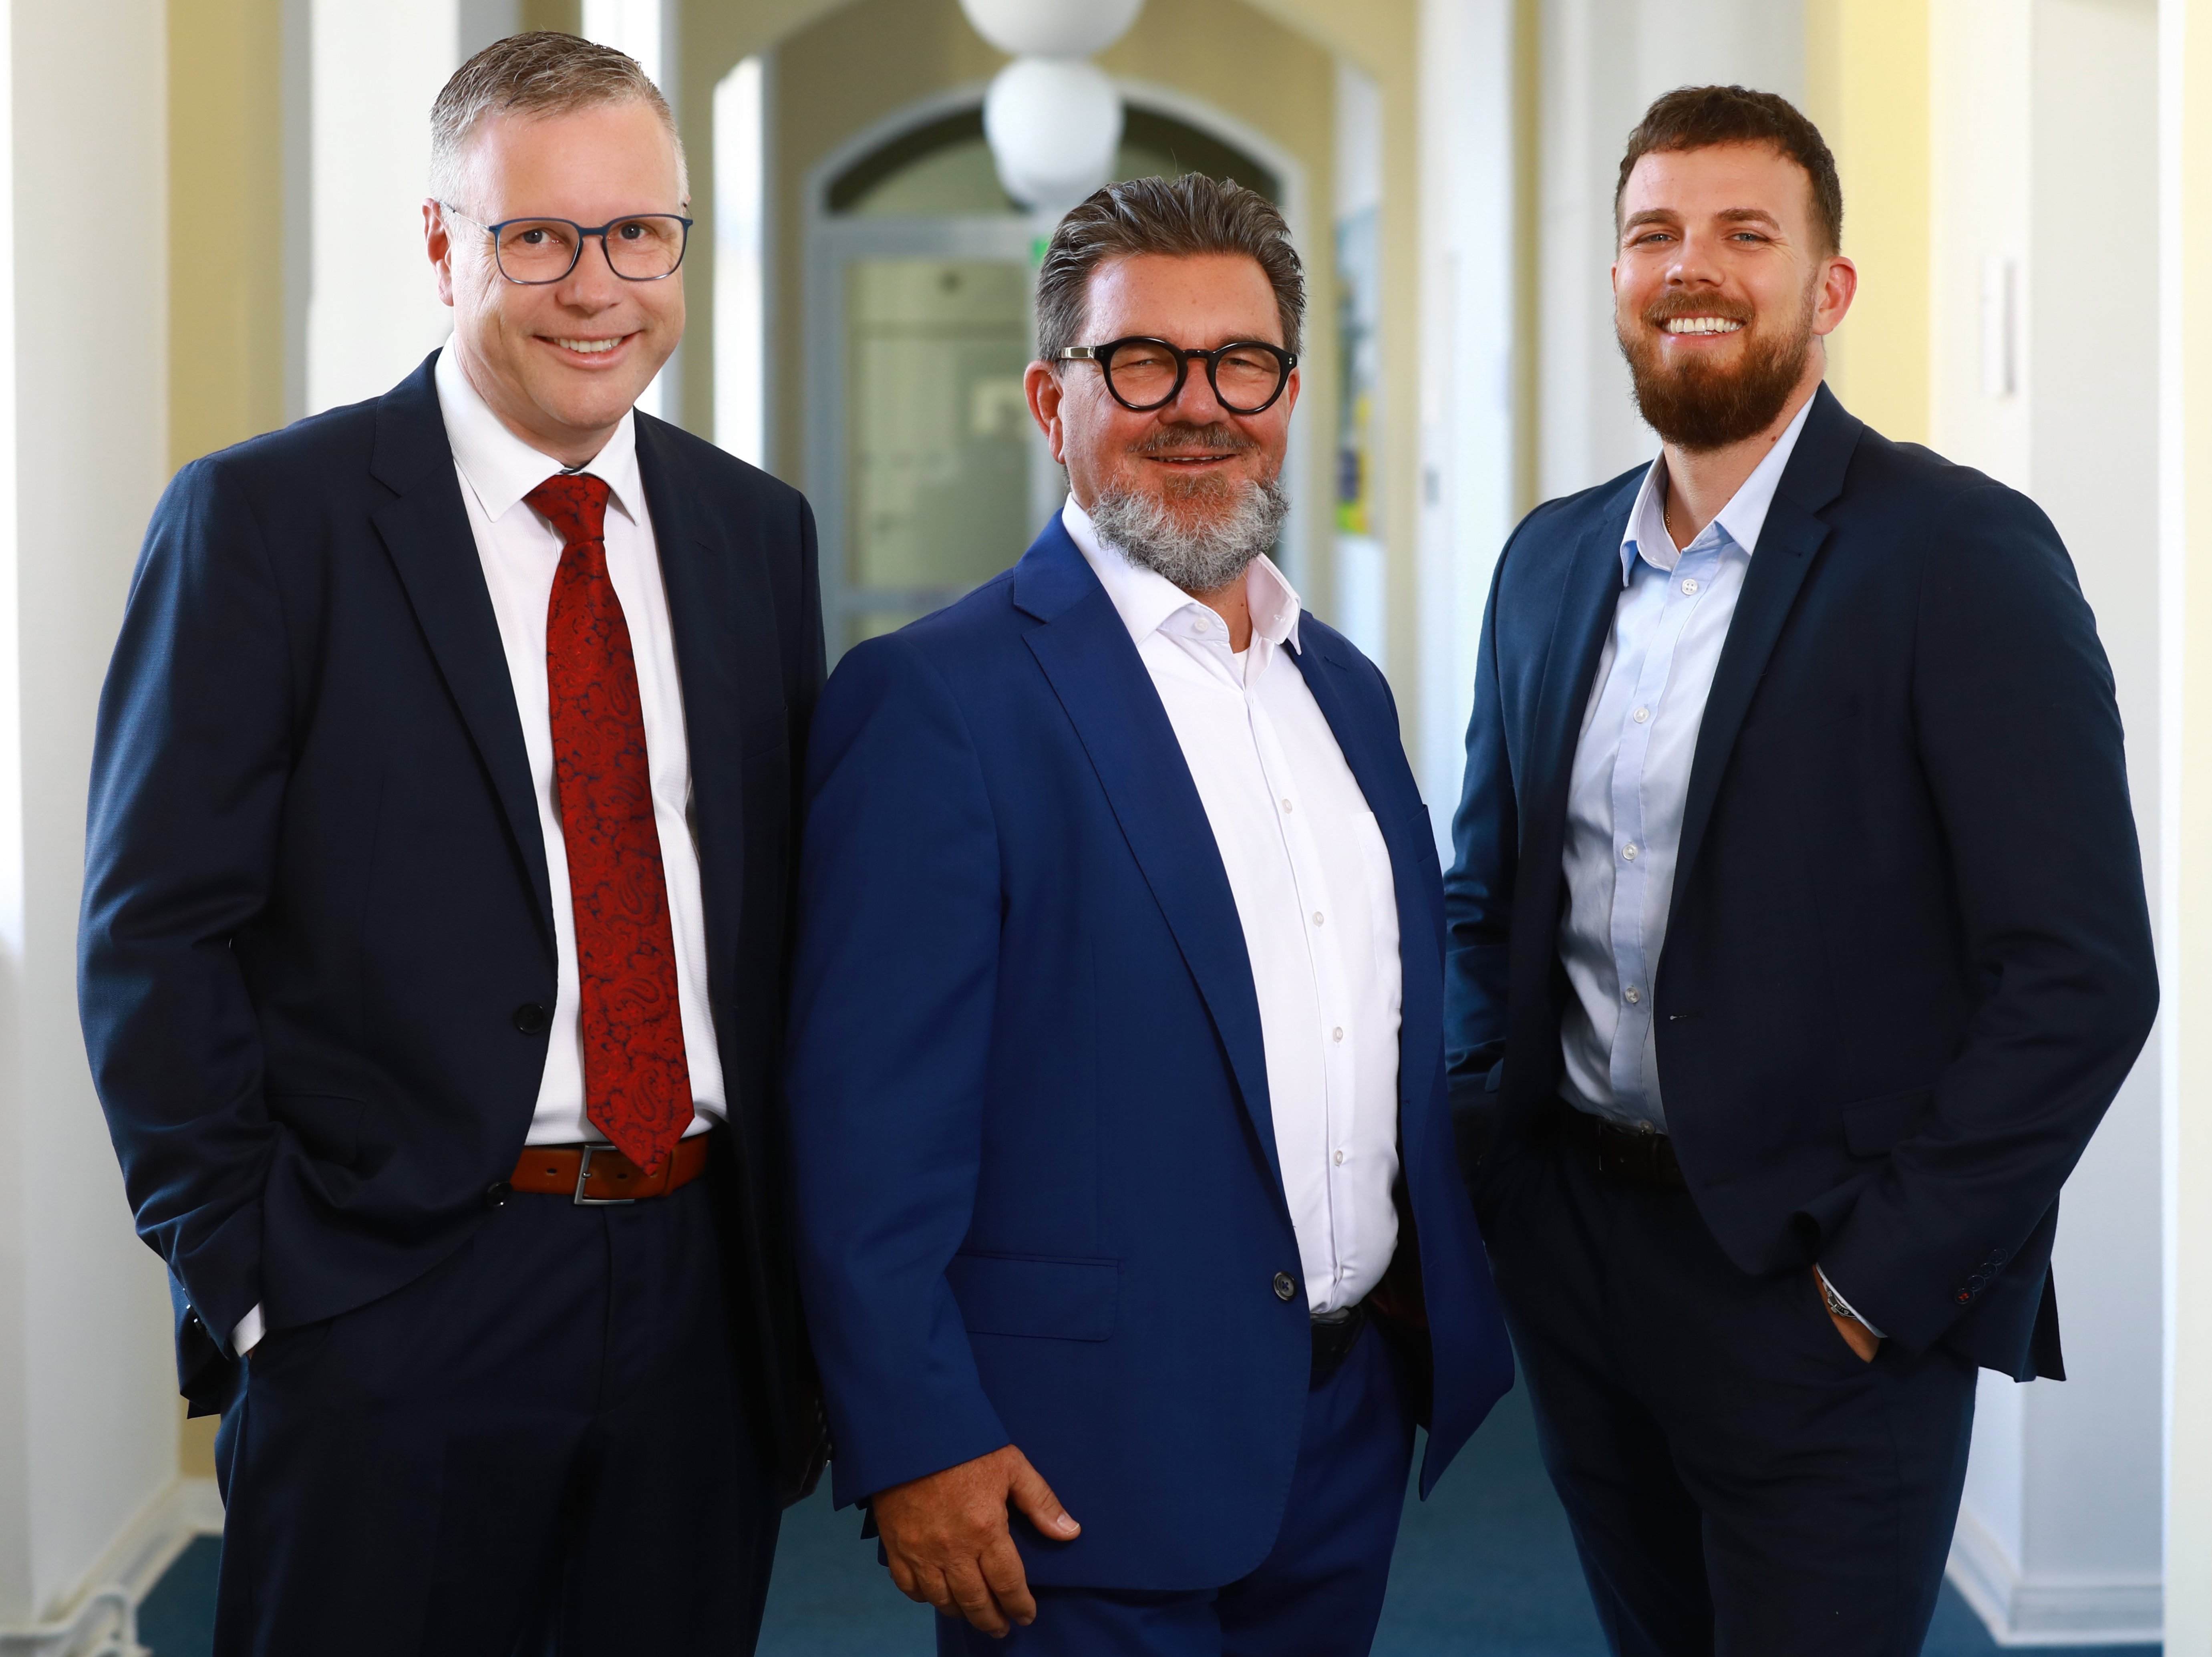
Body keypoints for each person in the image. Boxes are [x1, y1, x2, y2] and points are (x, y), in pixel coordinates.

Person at [78, 32, 824, 1655]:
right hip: (390, 1292)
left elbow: (772, 914)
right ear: (441, 244)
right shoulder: (265, 522)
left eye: (640, 233)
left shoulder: (753, 532)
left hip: (699, 1285)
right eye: (536, 235)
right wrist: (258, 1281)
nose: (597, 286)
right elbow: (153, 933)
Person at [1446, 84, 2158, 1655]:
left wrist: (1874, 1285)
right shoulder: (1547, 561)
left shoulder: (1957, 554)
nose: (1690, 266)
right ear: (1618, 279)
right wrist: (1500, 1168)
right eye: (1654, 233)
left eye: (1743, 233)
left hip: (1819, 1296)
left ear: (1827, 289)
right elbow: (1481, 900)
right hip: (1580, 1267)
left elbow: (2080, 975)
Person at [785, 173, 1514, 1655]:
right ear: (1050, 401)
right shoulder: (936, 700)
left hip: (1340, 1423)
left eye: (1240, 363)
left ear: (1289, 395)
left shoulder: (1344, 690)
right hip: (1070, 1456)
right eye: (1141, 363)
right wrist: (917, 1430)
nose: (1199, 406)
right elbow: (864, 1128)